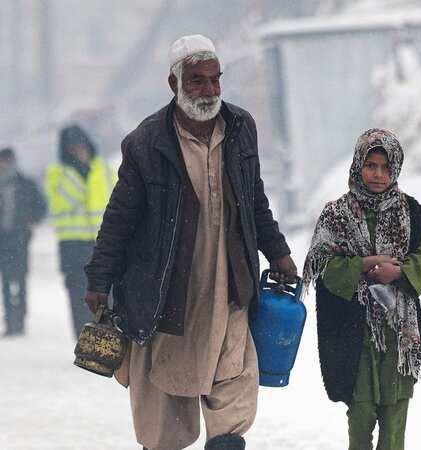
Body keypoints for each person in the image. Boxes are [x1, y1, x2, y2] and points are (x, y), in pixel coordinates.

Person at [83, 34, 297, 450]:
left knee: (232, 395)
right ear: (174, 83)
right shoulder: (146, 143)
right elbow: (119, 219)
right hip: (166, 295)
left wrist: (280, 253)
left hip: (229, 288)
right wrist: (99, 279)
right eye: (197, 81)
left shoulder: (240, 128)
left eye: (215, 80)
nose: (209, 90)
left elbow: (254, 201)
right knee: (165, 411)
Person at [302, 128, 421, 450]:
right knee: (360, 422)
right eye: (371, 165)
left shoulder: (410, 213)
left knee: (394, 424)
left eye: (386, 167)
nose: (378, 174)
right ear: (358, 164)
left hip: (398, 334)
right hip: (354, 332)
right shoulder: (336, 214)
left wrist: (398, 272)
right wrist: (363, 264)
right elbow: (321, 263)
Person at [45, 124, 115, 338]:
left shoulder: (102, 169)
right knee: (78, 293)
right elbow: (62, 202)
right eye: (72, 147)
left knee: (107, 292)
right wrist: (79, 170)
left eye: (80, 145)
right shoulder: (58, 174)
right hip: (72, 244)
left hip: (101, 242)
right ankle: (83, 337)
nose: (78, 150)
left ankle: (106, 337)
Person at [0, 148, 46, 337]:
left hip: (19, 241)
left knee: (20, 280)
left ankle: (20, 318)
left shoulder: (26, 184)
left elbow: (41, 208)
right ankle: (10, 321)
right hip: (2, 241)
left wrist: (30, 222)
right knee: (6, 282)